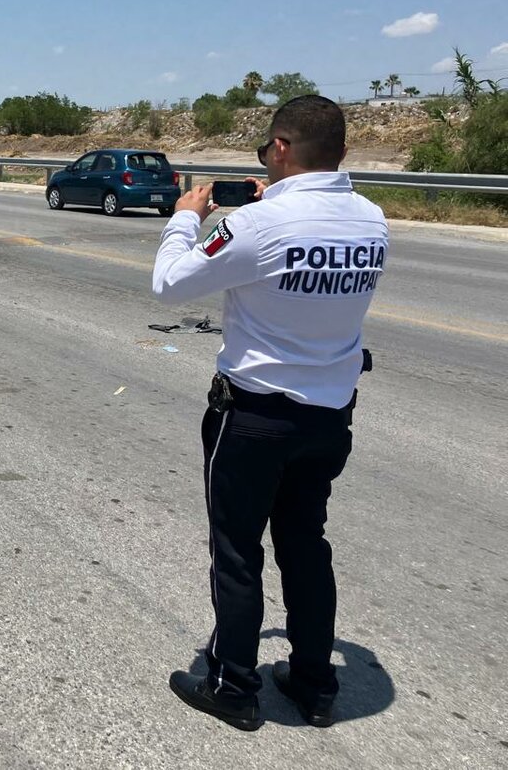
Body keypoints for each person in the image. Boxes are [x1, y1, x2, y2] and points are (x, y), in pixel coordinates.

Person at [151, 95, 389, 731]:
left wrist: (186, 219)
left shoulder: (256, 225)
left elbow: (170, 283)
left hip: (254, 417)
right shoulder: (372, 220)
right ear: (340, 151)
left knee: (237, 551)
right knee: (305, 545)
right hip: (329, 417)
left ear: (280, 149)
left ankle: (233, 685)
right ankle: (314, 682)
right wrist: (267, 207)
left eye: (266, 151)